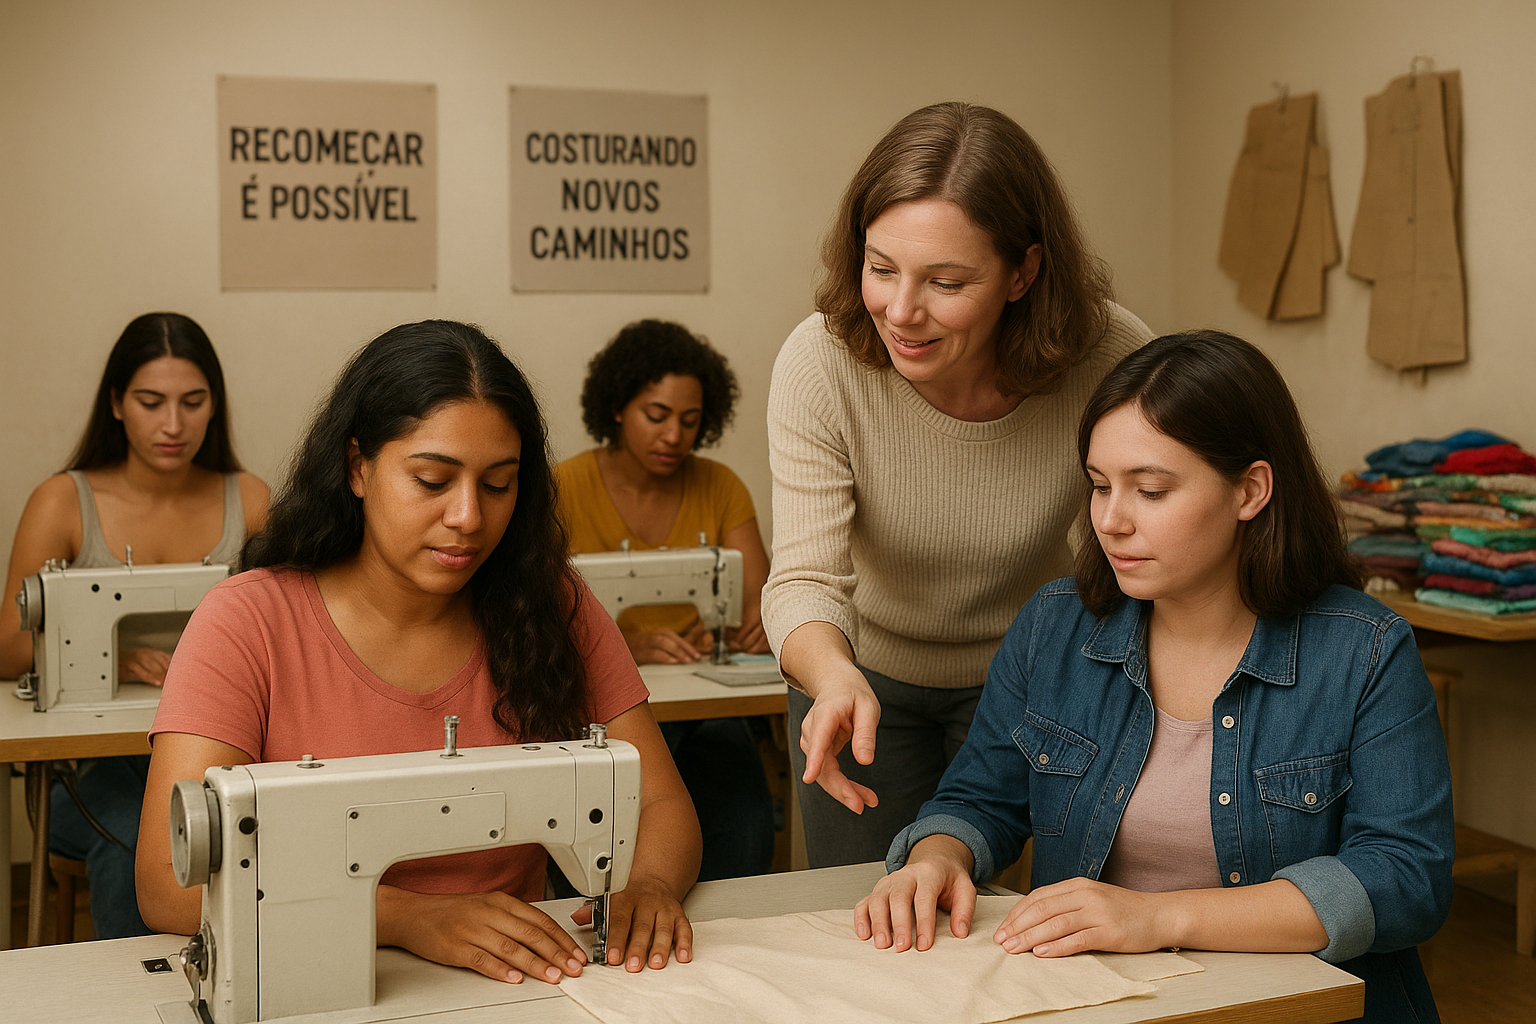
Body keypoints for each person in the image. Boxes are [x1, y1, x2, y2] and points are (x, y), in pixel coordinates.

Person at [858, 331, 1454, 1024]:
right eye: (1099, 486)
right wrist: (938, 857)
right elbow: (979, 799)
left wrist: (1157, 918)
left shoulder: (1365, 651)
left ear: (1250, 491)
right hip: (1097, 1004)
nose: (1111, 521)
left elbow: (1405, 879)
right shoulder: (1054, 627)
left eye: (1151, 490)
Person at [137, 320, 701, 982]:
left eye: (498, 485)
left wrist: (651, 886)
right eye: (433, 480)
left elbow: (662, 805)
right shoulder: (247, 623)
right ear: (358, 467)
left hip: (521, 980)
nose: (468, 516)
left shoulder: (549, 606)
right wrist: (411, 918)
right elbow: (168, 884)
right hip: (323, 978)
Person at [763, 101, 1154, 867]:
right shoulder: (820, 364)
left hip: (1029, 680)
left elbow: (1129, 554)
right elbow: (803, 577)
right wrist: (833, 677)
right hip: (859, 677)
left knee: (1014, 937)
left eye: (945, 281)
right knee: (865, 919)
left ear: (1024, 272)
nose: (901, 312)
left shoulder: (1110, 357)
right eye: (881, 269)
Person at [0, 311, 268, 939]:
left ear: (214, 407)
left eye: (192, 402)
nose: (173, 424)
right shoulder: (64, 503)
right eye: (151, 402)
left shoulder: (250, 501)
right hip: (92, 773)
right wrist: (102, 658)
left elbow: (290, 629)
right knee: (144, 844)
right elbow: (7, 648)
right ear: (117, 404)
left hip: (220, 762)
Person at [556, 319, 775, 880]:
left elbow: (761, 601)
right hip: (602, 706)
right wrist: (626, 646)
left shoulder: (720, 487)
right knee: (594, 835)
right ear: (616, 408)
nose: (674, 435)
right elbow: (538, 616)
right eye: (656, 416)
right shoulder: (564, 489)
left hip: (704, 704)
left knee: (747, 825)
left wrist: (751, 627)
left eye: (690, 421)